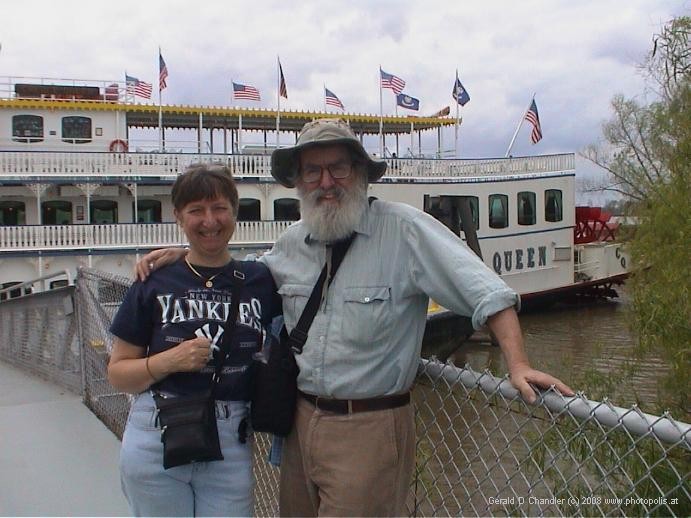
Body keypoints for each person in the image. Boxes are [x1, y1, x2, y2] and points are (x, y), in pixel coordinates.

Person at [137, 119, 574, 517]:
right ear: (299, 181)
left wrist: (517, 364)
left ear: (360, 173)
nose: (326, 182)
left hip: (369, 427)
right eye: (313, 171)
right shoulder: (293, 242)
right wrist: (191, 256)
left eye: (338, 169)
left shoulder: (405, 231)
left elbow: (487, 292)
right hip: (298, 423)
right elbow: (245, 273)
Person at [109, 164, 280, 517]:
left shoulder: (260, 279)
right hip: (156, 431)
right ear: (178, 216)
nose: (210, 221)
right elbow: (118, 374)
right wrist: (170, 360)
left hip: (230, 439)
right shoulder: (154, 281)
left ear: (234, 213)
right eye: (196, 211)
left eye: (219, 208)